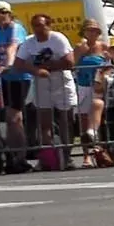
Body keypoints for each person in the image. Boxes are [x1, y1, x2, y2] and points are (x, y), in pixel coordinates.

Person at [19, 12, 77, 164]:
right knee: (44, 121)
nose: (38, 29)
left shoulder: (58, 39)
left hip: (61, 81)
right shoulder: (29, 42)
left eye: (41, 26)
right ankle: (49, 156)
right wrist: (36, 70)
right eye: (35, 26)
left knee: (66, 119)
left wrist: (49, 66)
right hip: (41, 83)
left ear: (48, 26)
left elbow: (70, 61)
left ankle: (67, 155)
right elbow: (18, 63)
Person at [0, 0, 31, 164]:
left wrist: (9, 64)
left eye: (3, 12)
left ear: (9, 13)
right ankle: (14, 154)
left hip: (20, 76)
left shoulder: (15, 28)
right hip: (5, 77)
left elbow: (12, 47)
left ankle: (21, 155)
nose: (0, 16)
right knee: (10, 118)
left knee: (15, 117)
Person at [73, 17, 114, 162]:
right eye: (89, 30)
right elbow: (72, 65)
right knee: (84, 120)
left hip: (99, 86)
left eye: (95, 30)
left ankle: (100, 152)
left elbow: (110, 67)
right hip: (83, 85)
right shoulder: (79, 47)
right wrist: (81, 54)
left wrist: (103, 75)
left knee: (98, 119)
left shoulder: (104, 47)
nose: (92, 33)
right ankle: (86, 156)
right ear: (84, 32)